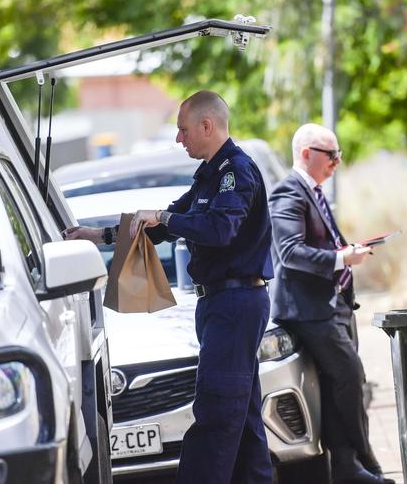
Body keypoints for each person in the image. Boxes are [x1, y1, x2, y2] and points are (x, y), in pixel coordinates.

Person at [65, 90, 273, 484]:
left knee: (215, 415)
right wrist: (99, 235)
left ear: (206, 126)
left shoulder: (235, 172)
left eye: (183, 130)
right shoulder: (210, 175)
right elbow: (166, 224)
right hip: (221, 304)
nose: (179, 139)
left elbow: (219, 229)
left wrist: (161, 215)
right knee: (243, 423)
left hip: (235, 303)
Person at [268, 123, 394, 484]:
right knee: (350, 376)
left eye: (339, 155)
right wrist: (343, 260)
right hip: (307, 310)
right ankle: (364, 464)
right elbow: (290, 253)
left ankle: (346, 467)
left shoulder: (314, 191)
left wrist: (346, 251)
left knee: (344, 380)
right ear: (306, 154)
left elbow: (317, 245)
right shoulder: (288, 194)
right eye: (331, 155)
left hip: (333, 305)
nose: (337, 162)